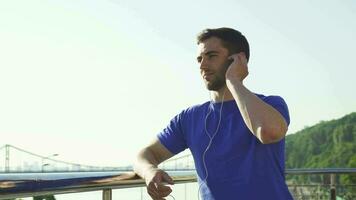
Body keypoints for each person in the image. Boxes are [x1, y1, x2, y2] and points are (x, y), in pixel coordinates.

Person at [134, 27, 293, 200]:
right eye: (199, 59)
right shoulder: (189, 118)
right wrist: (150, 172)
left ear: (238, 60)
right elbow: (143, 155)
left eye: (211, 56)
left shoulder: (271, 104)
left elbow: (268, 132)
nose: (202, 65)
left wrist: (233, 80)